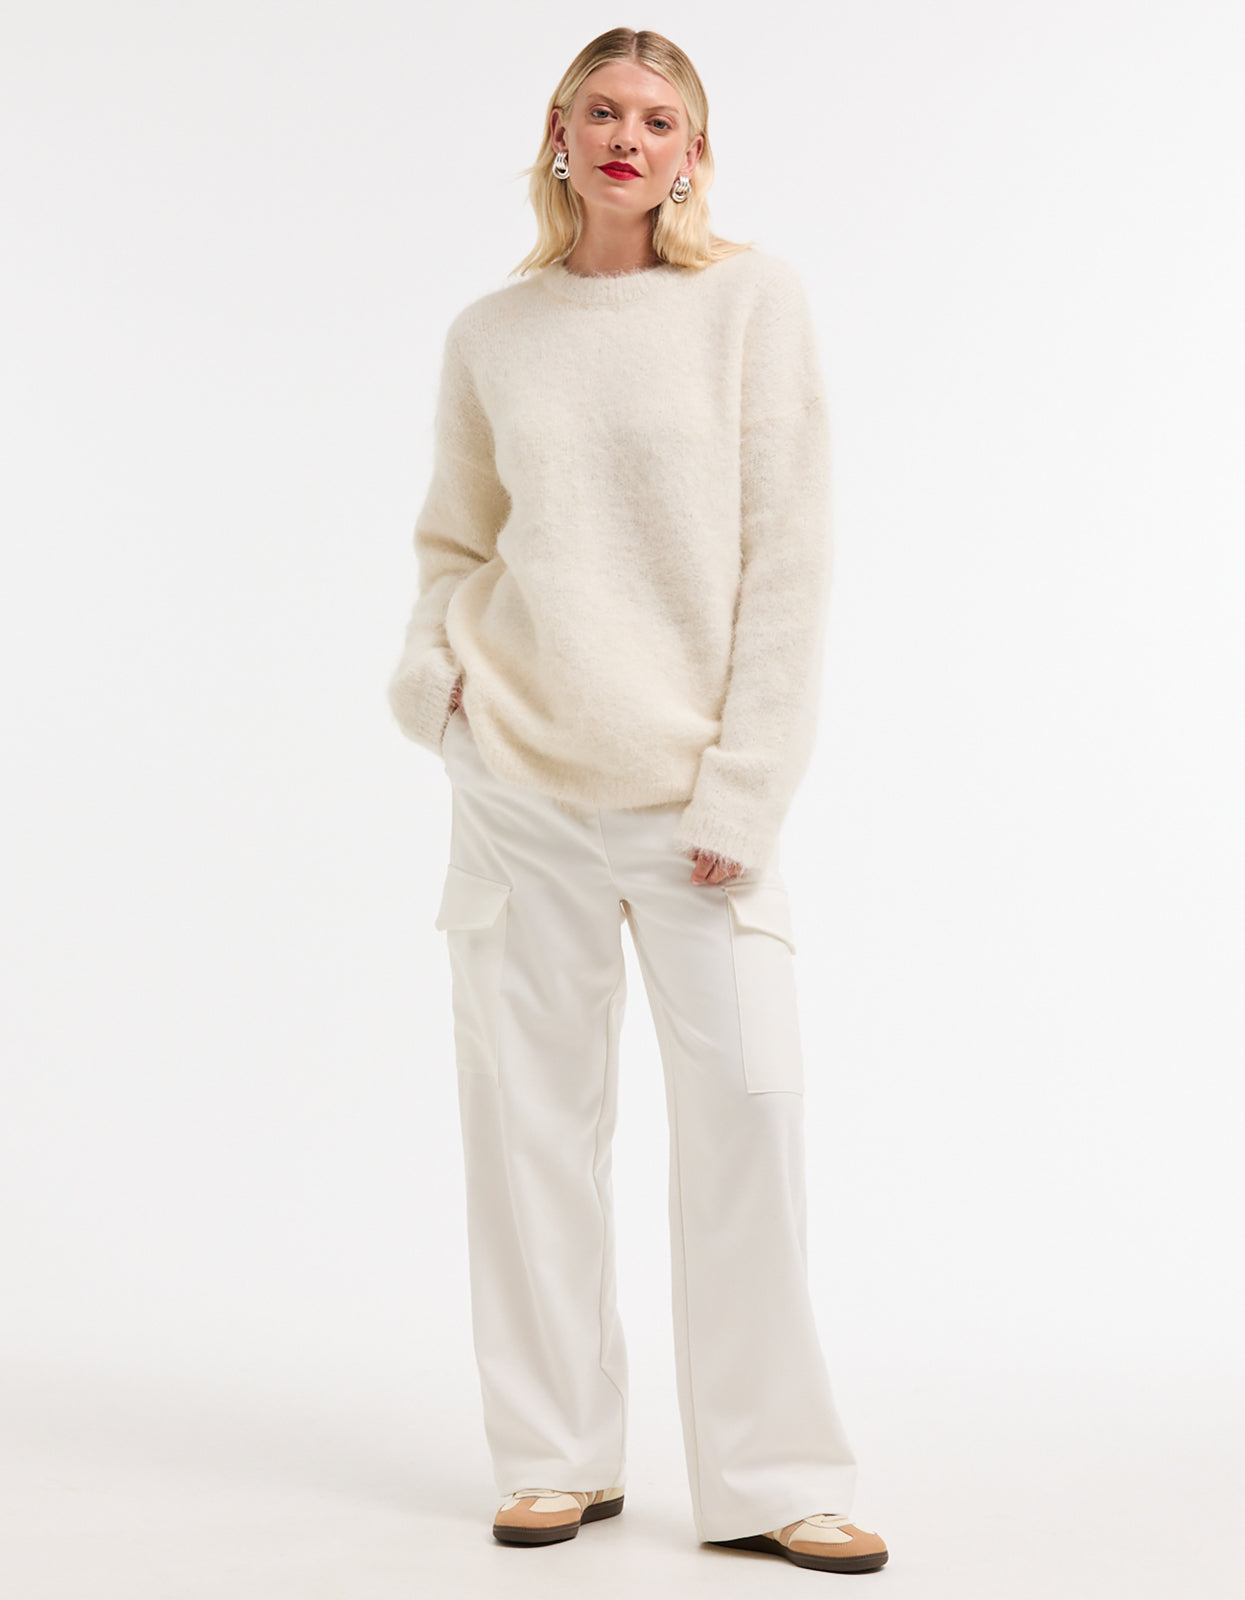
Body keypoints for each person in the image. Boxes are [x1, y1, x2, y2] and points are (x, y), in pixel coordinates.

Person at [385, 26, 889, 1576]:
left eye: (657, 119)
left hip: (693, 802)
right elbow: (455, 541)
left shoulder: (749, 303)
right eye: (600, 111)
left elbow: (788, 557)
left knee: (747, 1121)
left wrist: (746, 783)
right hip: (518, 781)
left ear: (692, 150)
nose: (626, 137)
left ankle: (774, 1477)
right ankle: (553, 1458)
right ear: (559, 132)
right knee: (529, 1128)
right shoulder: (493, 333)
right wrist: (438, 682)